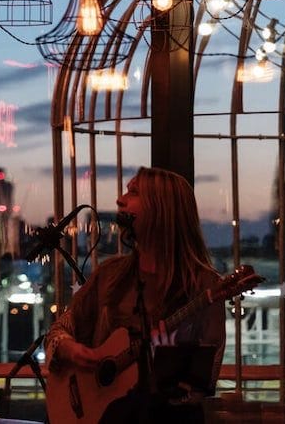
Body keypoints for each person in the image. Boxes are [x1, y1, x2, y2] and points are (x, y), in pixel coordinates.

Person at [44, 167, 225, 423]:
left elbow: (202, 380)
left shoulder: (203, 286)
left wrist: (161, 374)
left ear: (161, 208)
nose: (120, 199)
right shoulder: (109, 275)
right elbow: (58, 331)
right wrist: (71, 350)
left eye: (133, 192)